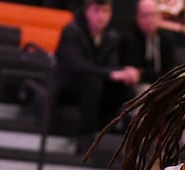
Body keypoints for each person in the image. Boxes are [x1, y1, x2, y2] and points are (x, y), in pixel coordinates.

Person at [54, 0, 140, 146]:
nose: (101, 16)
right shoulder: (72, 30)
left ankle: (113, 137)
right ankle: (84, 139)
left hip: (96, 84)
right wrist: (109, 74)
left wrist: (124, 74)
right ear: (87, 11)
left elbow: (112, 67)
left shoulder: (111, 36)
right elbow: (75, 65)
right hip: (66, 85)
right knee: (92, 84)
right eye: (96, 11)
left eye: (105, 11)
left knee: (124, 88)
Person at [119, 0, 177, 95]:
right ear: (137, 17)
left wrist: (141, 74)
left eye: (153, 14)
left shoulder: (166, 40)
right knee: (146, 92)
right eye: (145, 15)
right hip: (138, 90)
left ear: (159, 16)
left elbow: (170, 73)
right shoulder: (129, 39)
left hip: (163, 86)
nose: (149, 19)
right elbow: (131, 75)